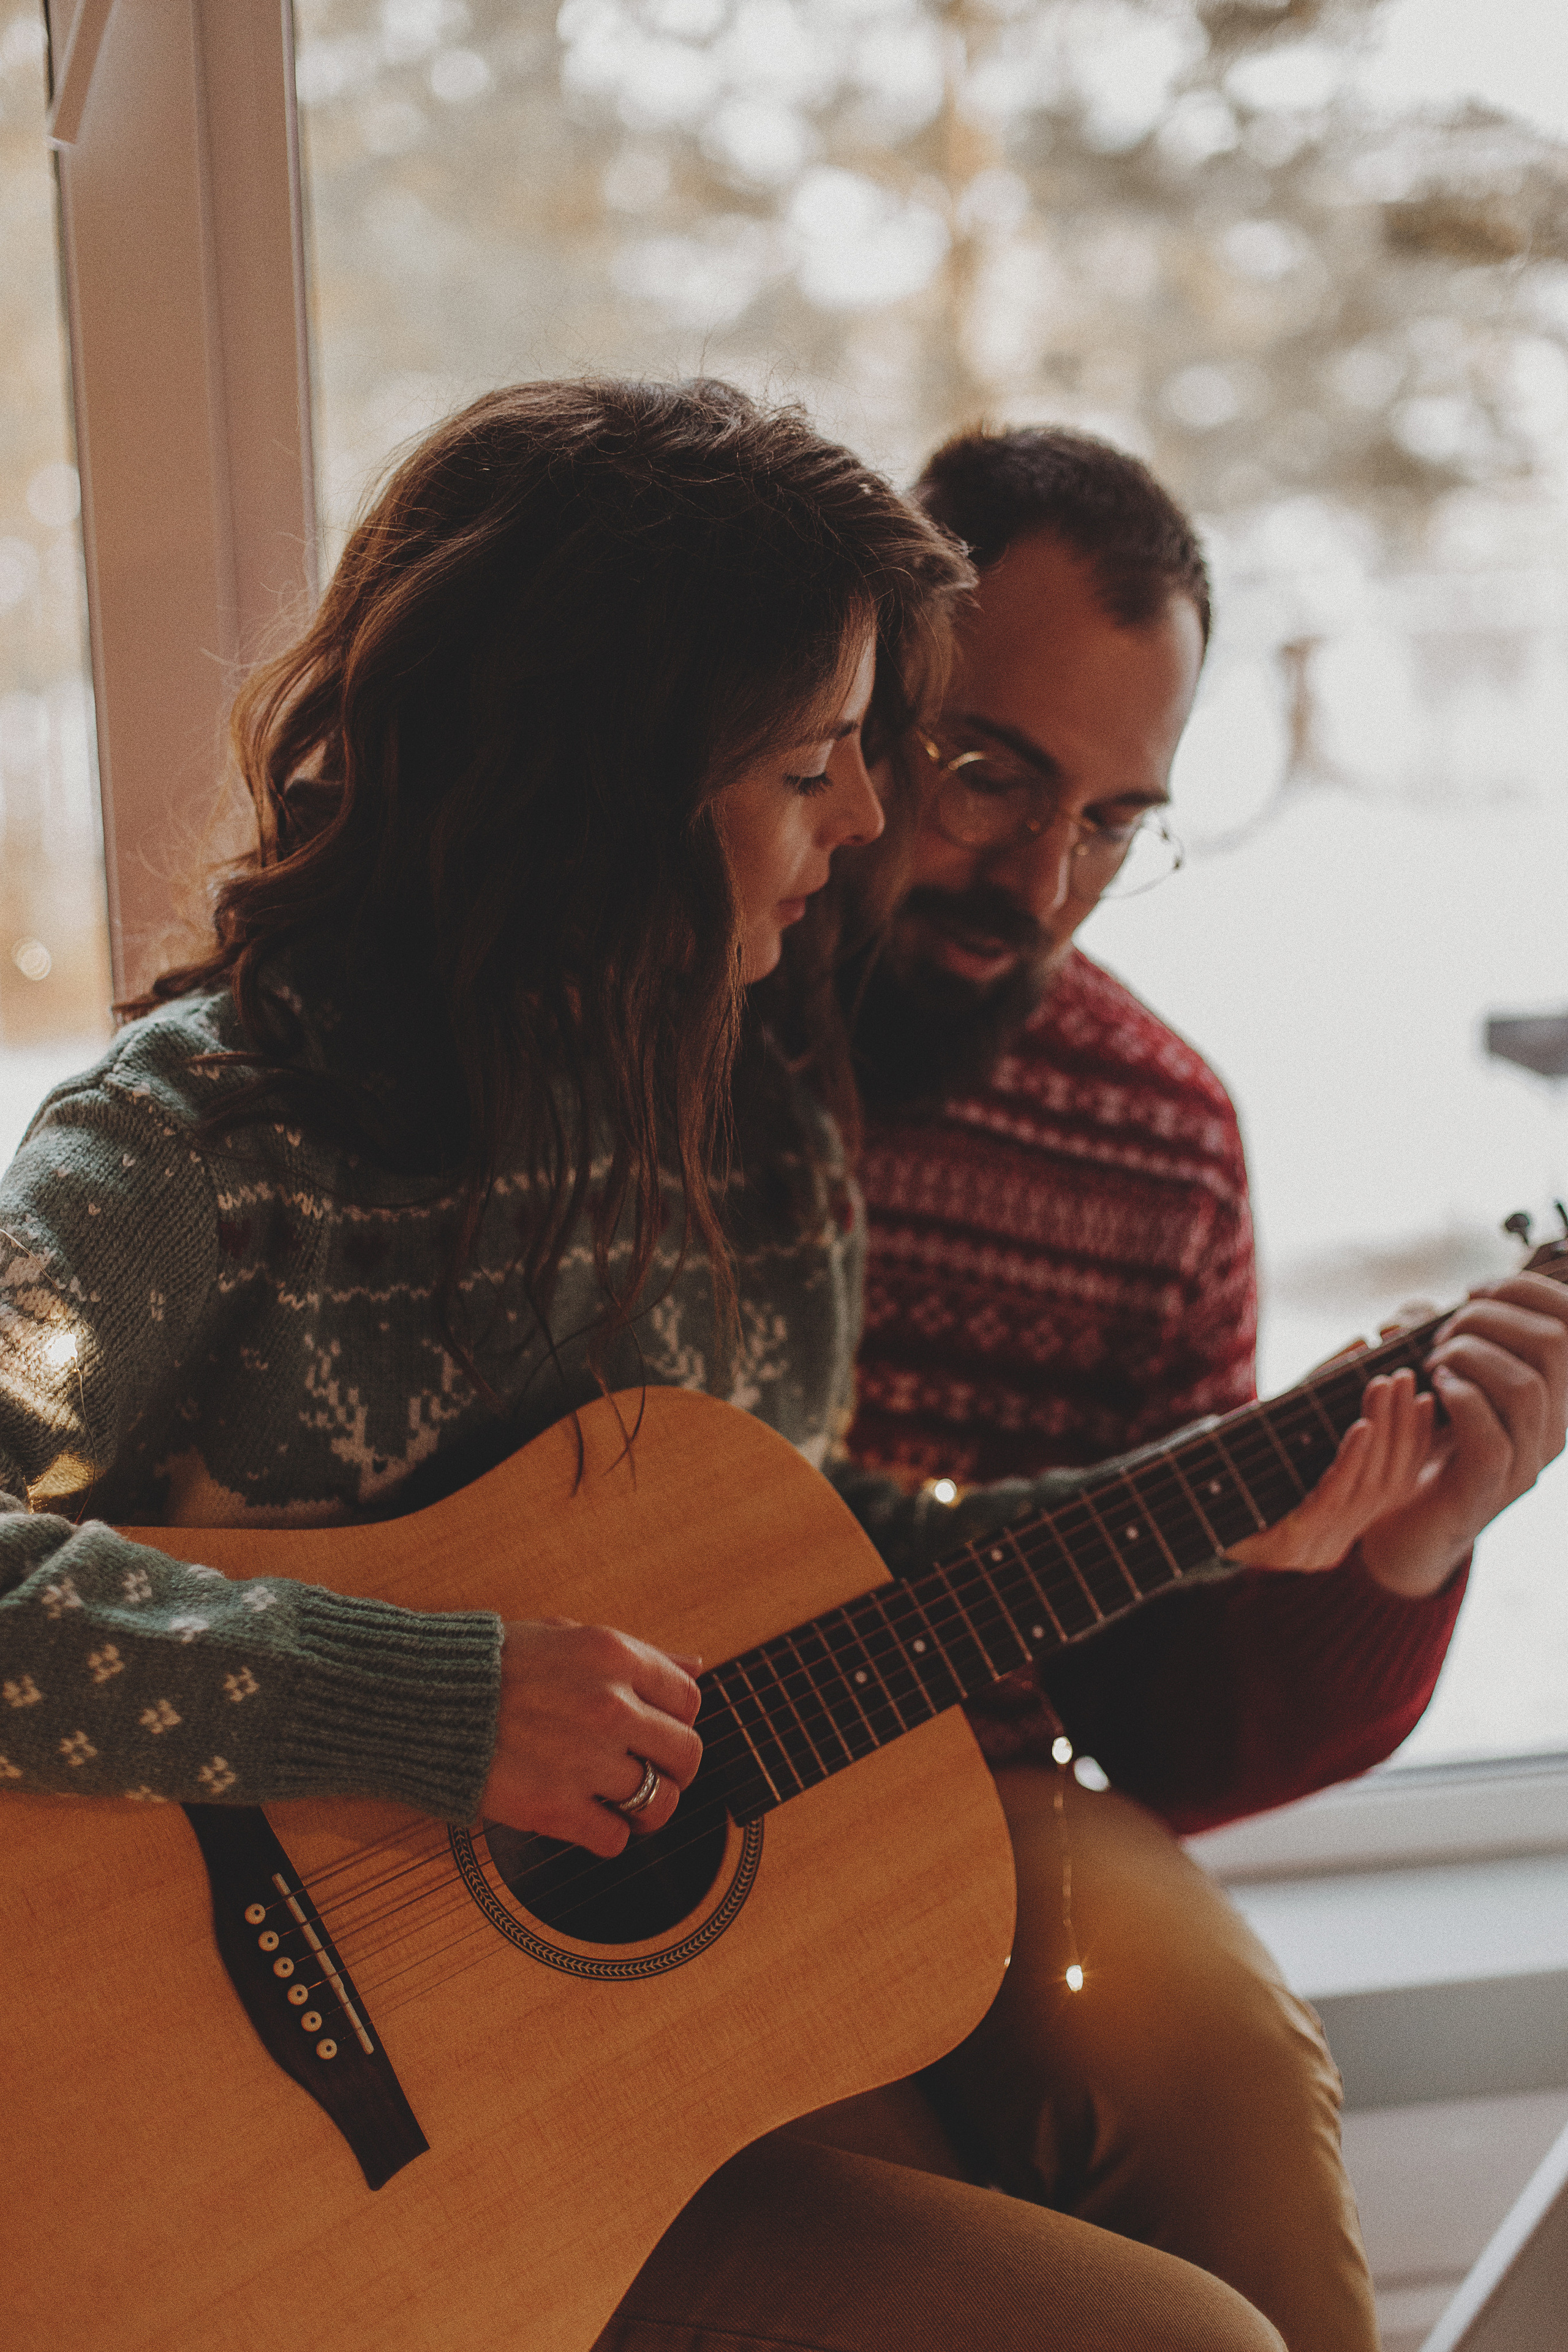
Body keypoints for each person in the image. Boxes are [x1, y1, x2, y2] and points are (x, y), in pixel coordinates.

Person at [1, 380, 1561, 2352]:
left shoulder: (753, 1137)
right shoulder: (192, 1145)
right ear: (621, 781)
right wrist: (437, 1702)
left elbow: (805, 1556)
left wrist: (1247, 1512)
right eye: (830, 758)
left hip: (556, 2040)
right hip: (179, 2102)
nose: (872, 821)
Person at [816, 424, 1566, 2350]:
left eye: (1118, 821)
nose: (1043, 879)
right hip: (614, 1782)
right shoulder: (676, 1012)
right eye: (997, 776)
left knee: (1223, 2062)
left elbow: (1154, 1729)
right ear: (866, 690)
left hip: (987, 1794)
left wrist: (1391, 1556)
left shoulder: (1160, 1132)